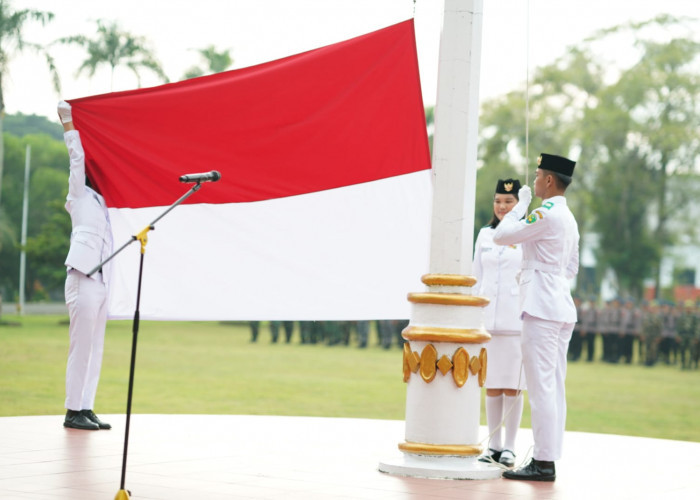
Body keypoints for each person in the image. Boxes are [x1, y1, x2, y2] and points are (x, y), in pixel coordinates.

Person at [493, 153, 580, 482]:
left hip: (541, 306)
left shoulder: (545, 213)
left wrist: (519, 207)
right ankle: (549, 455)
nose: (532, 180)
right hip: (559, 303)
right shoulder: (568, 217)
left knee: (541, 386)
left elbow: (502, 236)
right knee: (554, 385)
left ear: (548, 180)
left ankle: (543, 462)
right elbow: (571, 267)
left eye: (537, 175)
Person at [58, 101, 113, 431]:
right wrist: (69, 123)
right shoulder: (78, 194)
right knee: (81, 346)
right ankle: (72, 410)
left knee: (96, 346)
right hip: (83, 274)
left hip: (104, 278)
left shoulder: (106, 203)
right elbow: (76, 160)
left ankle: (86, 406)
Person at [473, 178, 526, 468]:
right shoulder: (484, 234)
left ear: (520, 204)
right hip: (487, 319)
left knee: (513, 386)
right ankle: (492, 445)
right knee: (492, 384)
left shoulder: (527, 233)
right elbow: (476, 276)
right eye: (498, 201)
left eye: (509, 201)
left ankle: (510, 446)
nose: (502, 206)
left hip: (515, 319)